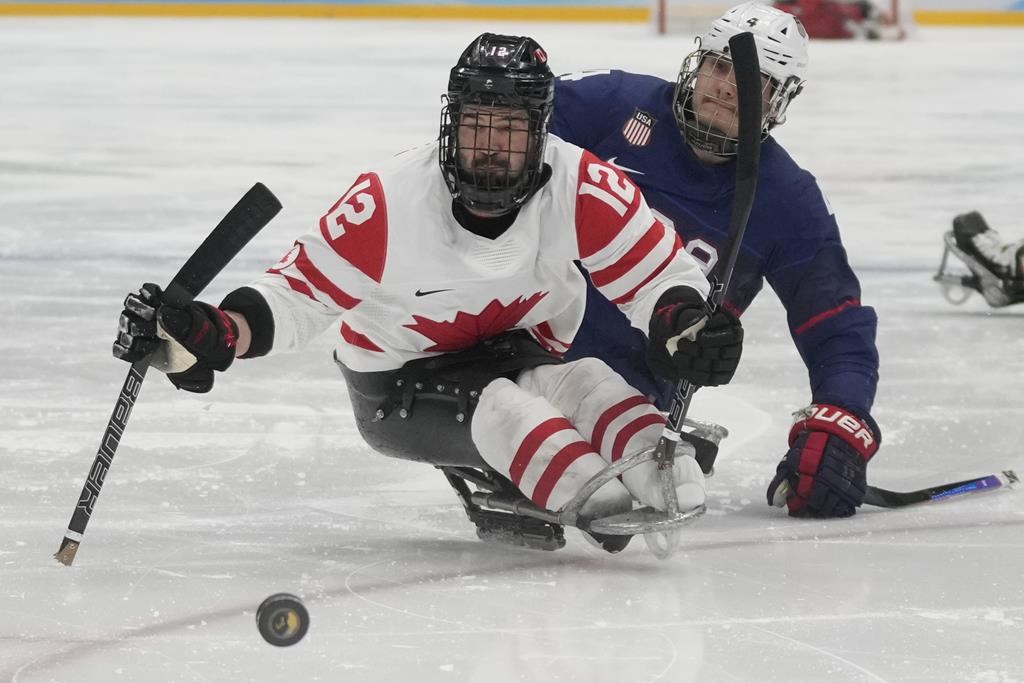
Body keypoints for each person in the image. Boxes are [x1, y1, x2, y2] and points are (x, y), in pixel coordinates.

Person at [112, 33, 744, 553]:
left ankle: (657, 470)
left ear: (541, 132)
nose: (491, 148)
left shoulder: (580, 186)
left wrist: (684, 322)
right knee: (505, 413)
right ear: (451, 124)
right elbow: (295, 298)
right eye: (476, 126)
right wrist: (212, 335)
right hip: (398, 385)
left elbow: (659, 274)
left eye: (511, 129)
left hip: (522, 353)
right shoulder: (387, 203)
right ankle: (570, 483)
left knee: (590, 383)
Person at [550, 1, 881, 519]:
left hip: (622, 395)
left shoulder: (787, 200)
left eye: (757, 83)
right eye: (720, 67)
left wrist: (842, 416)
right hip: (515, 345)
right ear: (697, 64)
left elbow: (836, 326)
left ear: (780, 100)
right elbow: (495, 138)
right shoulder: (609, 106)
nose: (729, 87)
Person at [936, 211, 1024, 308]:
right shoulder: (984, 244)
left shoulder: (989, 241)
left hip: (1008, 259)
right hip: (1005, 264)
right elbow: (1001, 258)